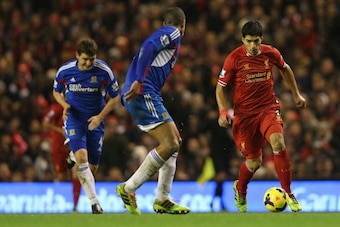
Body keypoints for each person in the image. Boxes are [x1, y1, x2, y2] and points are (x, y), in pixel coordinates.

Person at [215, 20, 306, 213]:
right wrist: (223, 111)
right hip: (245, 117)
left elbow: (285, 68)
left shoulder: (270, 53)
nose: (254, 46)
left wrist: (296, 93)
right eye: (249, 41)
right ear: (242, 40)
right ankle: (240, 188)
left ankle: (289, 193)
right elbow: (220, 88)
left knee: (279, 142)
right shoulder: (234, 59)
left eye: (256, 41)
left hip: (267, 108)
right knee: (254, 163)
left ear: (261, 39)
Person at [116, 6, 190, 215]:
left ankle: (163, 199)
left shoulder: (165, 34)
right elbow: (147, 47)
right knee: (170, 143)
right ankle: (128, 188)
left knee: (175, 144)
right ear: (183, 25)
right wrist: (139, 80)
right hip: (143, 92)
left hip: (147, 92)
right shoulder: (173, 32)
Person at [53, 38, 120, 214]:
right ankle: (94, 203)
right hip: (74, 119)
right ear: (77, 55)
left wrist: (99, 117)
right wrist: (64, 105)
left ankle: (72, 156)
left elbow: (115, 97)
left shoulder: (104, 71)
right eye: (85, 59)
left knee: (92, 167)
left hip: (95, 122)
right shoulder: (65, 71)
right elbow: (56, 91)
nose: (89, 63)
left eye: (92, 59)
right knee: (82, 156)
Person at [42, 101, 81, 212]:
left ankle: (75, 206)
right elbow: (45, 123)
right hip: (59, 147)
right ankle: (58, 202)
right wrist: (61, 131)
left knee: (76, 174)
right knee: (62, 177)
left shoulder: (78, 105)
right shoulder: (57, 107)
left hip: (73, 144)